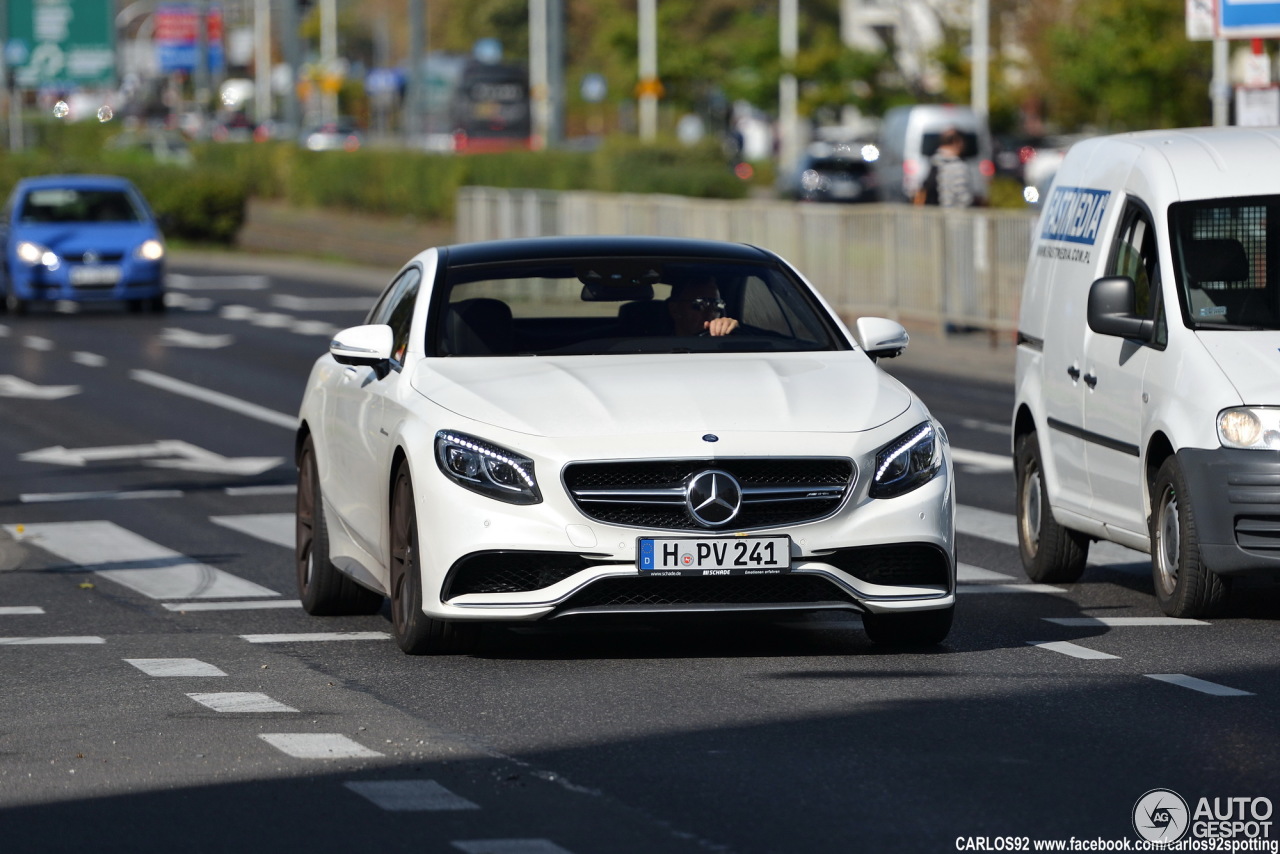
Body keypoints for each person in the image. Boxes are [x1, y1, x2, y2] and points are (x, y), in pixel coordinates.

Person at [913, 127, 974, 208]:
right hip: (954, 216)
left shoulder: (931, 163)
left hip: (931, 215)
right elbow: (964, 197)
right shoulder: (959, 167)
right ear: (958, 142)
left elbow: (920, 190)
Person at [667, 276, 739, 336]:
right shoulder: (660, 346)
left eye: (716, 305)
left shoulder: (721, 343)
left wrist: (732, 332)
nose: (710, 313)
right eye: (700, 304)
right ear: (674, 310)